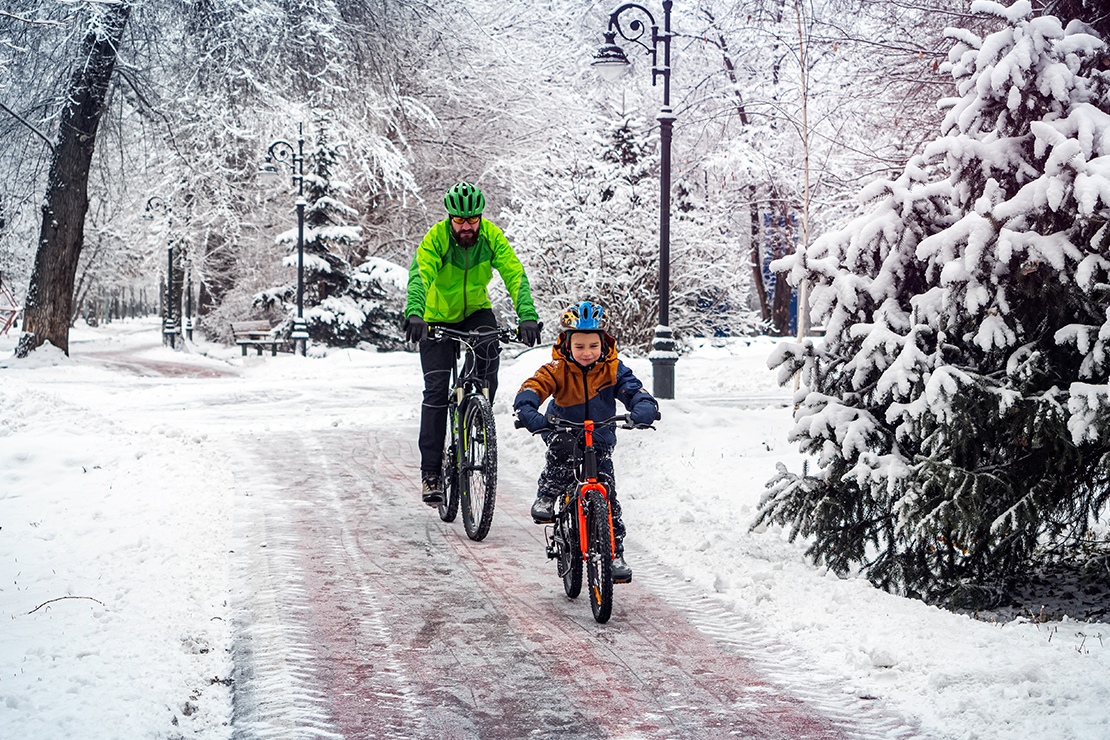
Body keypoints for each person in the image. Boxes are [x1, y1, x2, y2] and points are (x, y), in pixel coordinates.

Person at [403, 181, 541, 506]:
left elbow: (514, 274)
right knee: (436, 391)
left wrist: (528, 315)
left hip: (475, 312)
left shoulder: (491, 237)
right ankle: (431, 474)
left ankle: (477, 417)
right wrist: (415, 313)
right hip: (435, 317)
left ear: (480, 217)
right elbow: (419, 276)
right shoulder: (436, 239)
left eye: (472, 220)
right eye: (460, 220)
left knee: (488, 356)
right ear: (450, 218)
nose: (466, 226)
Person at [513, 300, 659, 582]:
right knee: (562, 458)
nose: (587, 353)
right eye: (579, 346)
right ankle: (548, 494)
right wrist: (529, 409)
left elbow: (634, 390)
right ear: (567, 345)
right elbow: (534, 387)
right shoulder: (556, 369)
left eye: (593, 346)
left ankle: (614, 552)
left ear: (604, 343)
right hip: (563, 429)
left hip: (600, 435)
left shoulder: (613, 369)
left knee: (607, 490)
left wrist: (643, 408)